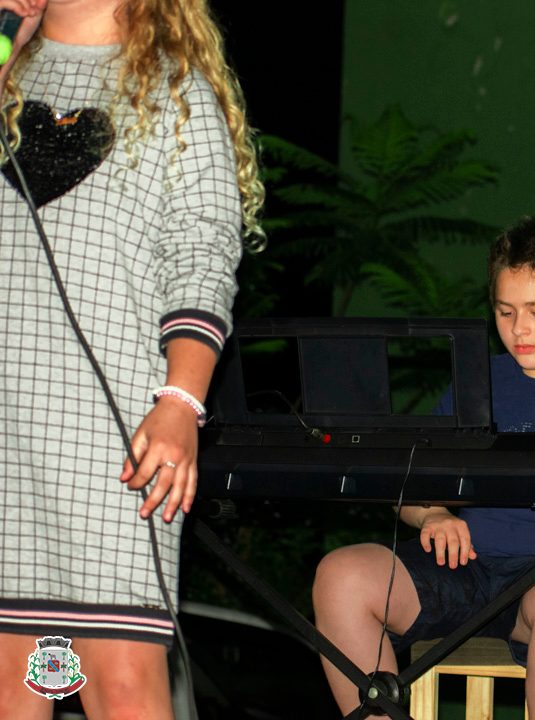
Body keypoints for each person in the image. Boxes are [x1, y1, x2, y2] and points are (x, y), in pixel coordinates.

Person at [0, 0, 262, 717]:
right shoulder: (4, 72)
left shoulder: (173, 90)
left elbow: (202, 256)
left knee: (120, 677)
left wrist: (182, 401)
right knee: (11, 679)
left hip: (111, 440)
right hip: (4, 437)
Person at [313, 217, 535, 719]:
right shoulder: (476, 383)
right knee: (341, 573)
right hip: (465, 572)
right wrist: (433, 516)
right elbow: (412, 490)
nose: (519, 328)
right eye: (505, 312)